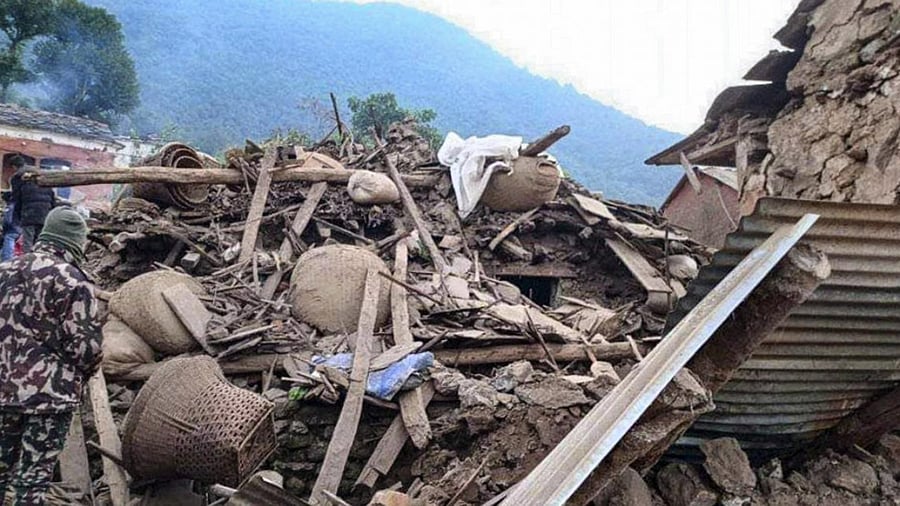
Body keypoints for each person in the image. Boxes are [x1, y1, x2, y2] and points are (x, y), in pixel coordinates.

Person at [0, 207, 102, 504]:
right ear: (74, 242)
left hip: (3, 393)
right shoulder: (73, 280)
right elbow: (86, 348)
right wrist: (84, 374)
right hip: (49, 399)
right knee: (31, 482)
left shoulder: (4, 271)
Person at [9, 155, 56, 252]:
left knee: (27, 241)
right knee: (39, 240)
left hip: (29, 212)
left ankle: (27, 263)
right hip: (45, 211)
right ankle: (38, 261)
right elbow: (52, 195)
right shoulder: (40, 174)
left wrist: (17, 216)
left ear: (14, 166)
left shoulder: (17, 177)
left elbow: (16, 198)